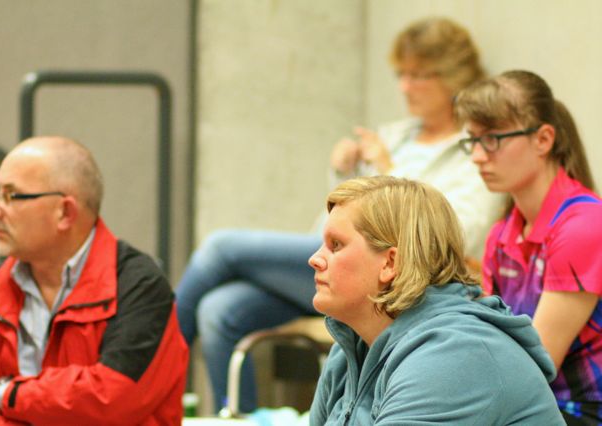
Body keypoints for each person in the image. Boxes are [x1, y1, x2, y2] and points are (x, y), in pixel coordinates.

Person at [176, 17, 503, 413]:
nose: (405, 87)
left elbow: (450, 234)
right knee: (219, 309)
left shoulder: (472, 152)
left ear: (453, 75)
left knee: (220, 247)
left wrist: (386, 168)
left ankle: (155, 362)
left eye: (419, 76)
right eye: (401, 75)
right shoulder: (395, 134)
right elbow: (348, 214)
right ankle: (234, 415)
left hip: (395, 273)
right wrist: (342, 174)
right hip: (346, 256)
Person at [0, 137, 189, 425]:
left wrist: (3, 392)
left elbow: (110, 399)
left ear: (65, 213)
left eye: (11, 196)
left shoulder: (138, 287)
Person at [308, 175, 564, 425]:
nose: (315, 259)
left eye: (336, 245)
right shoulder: (350, 350)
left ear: (390, 263)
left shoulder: (456, 354)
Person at [455, 70, 602, 424]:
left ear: (543, 139)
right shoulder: (501, 234)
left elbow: (537, 363)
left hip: (582, 412)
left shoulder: (584, 223)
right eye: (473, 140)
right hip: (530, 407)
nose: (477, 156)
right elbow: (488, 337)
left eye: (492, 139)